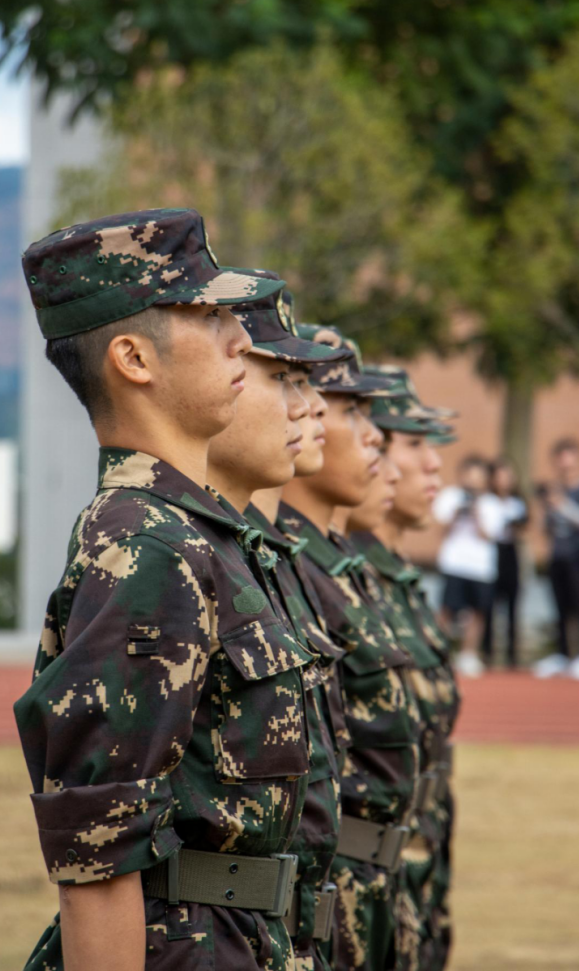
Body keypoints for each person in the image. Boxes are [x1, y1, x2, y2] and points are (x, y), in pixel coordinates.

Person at [13, 209, 315, 971]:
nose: (240, 338)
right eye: (207, 316)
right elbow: (99, 852)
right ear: (133, 358)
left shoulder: (197, 534)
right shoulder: (145, 545)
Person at [207, 290, 352, 969]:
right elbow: (106, 838)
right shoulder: (158, 546)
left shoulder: (260, 557)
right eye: (285, 378)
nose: (311, 407)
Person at [276, 326, 422, 971]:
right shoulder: (287, 563)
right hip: (317, 890)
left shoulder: (331, 566)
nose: (375, 439)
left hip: (371, 881)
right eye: (353, 411)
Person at [350, 368, 461, 971]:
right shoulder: (345, 577)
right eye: (414, 442)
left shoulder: (390, 577)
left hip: (415, 857)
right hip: (366, 871)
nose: (432, 463)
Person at [534, 437, 579, 682]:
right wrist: (545, 509)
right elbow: (546, 528)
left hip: (578, 558)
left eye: (569, 460)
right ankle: (563, 655)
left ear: (578, 461)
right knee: (560, 608)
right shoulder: (554, 490)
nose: (565, 465)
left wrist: (561, 503)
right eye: (561, 460)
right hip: (558, 556)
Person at [433, 457, 504, 678]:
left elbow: (489, 536)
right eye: (469, 476)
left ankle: (468, 654)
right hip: (454, 563)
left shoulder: (492, 503)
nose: (473, 481)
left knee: (477, 612)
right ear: (462, 476)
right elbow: (440, 529)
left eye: (478, 477)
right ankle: (439, 652)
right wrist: (457, 512)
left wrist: (476, 512)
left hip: (480, 567)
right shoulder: (450, 496)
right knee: (446, 609)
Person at [482, 458, 529, 669]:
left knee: (512, 606)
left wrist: (517, 527)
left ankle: (512, 655)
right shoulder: (486, 502)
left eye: (508, 476)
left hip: (511, 553)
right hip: (492, 553)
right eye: (500, 476)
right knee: (489, 605)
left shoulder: (518, 503)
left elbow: (524, 530)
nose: (504, 480)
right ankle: (487, 652)